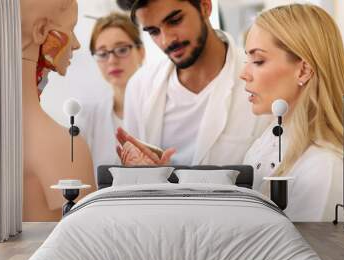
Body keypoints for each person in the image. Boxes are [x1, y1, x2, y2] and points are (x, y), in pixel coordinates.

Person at [240, 4, 344, 221]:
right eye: (247, 60)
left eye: (258, 61)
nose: (244, 74)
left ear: (304, 70)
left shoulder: (325, 170)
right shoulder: (268, 142)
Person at [114, 0, 270, 166]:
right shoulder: (139, 87)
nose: (166, 40)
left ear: (205, 7)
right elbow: (134, 182)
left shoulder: (262, 77)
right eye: (153, 31)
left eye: (175, 21)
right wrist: (148, 175)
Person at [21, 0, 96, 221]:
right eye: (71, 29)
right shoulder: (66, 147)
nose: (76, 44)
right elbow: (85, 238)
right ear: (41, 31)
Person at [76, 12, 145, 176]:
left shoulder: (164, 109)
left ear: (141, 52)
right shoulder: (86, 117)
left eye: (121, 49)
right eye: (102, 53)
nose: (112, 60)